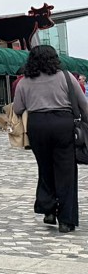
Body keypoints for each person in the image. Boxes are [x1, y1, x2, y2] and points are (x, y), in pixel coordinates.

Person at [12, 45, 88, 233]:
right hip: (63, 124)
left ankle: (48, 210)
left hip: (37, 126)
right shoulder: (66, 77)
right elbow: (83, 105)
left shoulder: (24, 81)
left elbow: (18, 109)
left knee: (45, 168)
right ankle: (66, 220)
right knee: (66, 172)